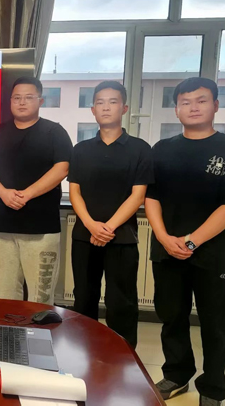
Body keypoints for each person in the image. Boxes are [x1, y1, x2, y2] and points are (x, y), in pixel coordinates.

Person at [146, 77, 225, 406]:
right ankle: (176, 374)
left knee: (215, 322)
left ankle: (212, 387)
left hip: (214, 253)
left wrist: (192, 242)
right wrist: (164, 237)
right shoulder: (162, 150)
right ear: (176, 109)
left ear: (216, 106)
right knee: (171, 316)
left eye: (201, 100)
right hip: (167, 250)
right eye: (185, 102)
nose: (193, 107)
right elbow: (151, 197)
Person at [68, 81, 153, 349]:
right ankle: (83, 354)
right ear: (93, 109)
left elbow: (138, 196)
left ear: (124, 108)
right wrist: (91, 225)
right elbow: (74, 192)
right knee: (84, 299)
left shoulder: (140, 149)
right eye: (100, 102)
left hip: (122, 238)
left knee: (121, 302)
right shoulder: (81, 149)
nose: (106, 107)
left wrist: (107, 228)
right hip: (85, 236)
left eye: (113, 102)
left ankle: (123, 359)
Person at [0, 76, 72, 304]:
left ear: (40, 101)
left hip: (41, 228)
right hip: (2, 224)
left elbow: (62, 168)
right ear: (10, 101)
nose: (22, 102)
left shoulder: (54, 132)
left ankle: (40, 329)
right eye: (16, 98)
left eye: (28, 97)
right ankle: (7, 328)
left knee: (41, 296)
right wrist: (3, 193)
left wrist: (26, 194)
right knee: (4, 294)